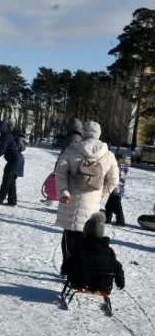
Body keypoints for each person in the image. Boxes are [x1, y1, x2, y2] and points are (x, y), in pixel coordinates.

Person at [55, 121, 118, 277]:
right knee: (86, 237)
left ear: (83, 133)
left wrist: (64, 191)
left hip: (71, 199)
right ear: (99, 134)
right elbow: (114, 180)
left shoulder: (71, 150)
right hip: (93, 202)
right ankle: (80, 269)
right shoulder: (108, 154)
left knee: (69, 235)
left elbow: (60, 172)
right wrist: (101, 195)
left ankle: (66, 269)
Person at [65, 213, 125, 292]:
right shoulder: (109, 251)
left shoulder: (80, 249)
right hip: (102, 287)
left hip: (80, 284)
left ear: (85, 232)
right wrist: (120, 281)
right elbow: (117, 267)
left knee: (75, 265)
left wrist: (65, 270)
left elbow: (68, 266)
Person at [0, 121, 23, 207]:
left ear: (1, 128)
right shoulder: (8, 135)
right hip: (18, 160)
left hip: (14, 160)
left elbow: (1, 150)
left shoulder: (7, 137)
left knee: (6, 180)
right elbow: (0, 138)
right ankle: (12, 202)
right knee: (11, 181)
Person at [105, 153, 129, 227]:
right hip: (119, 188)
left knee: (116, 206)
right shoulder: (124, 167)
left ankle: (121, 221)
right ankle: (107, 219)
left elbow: (115, 177)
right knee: (109, 205)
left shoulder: (118, 166)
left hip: (116, 188)